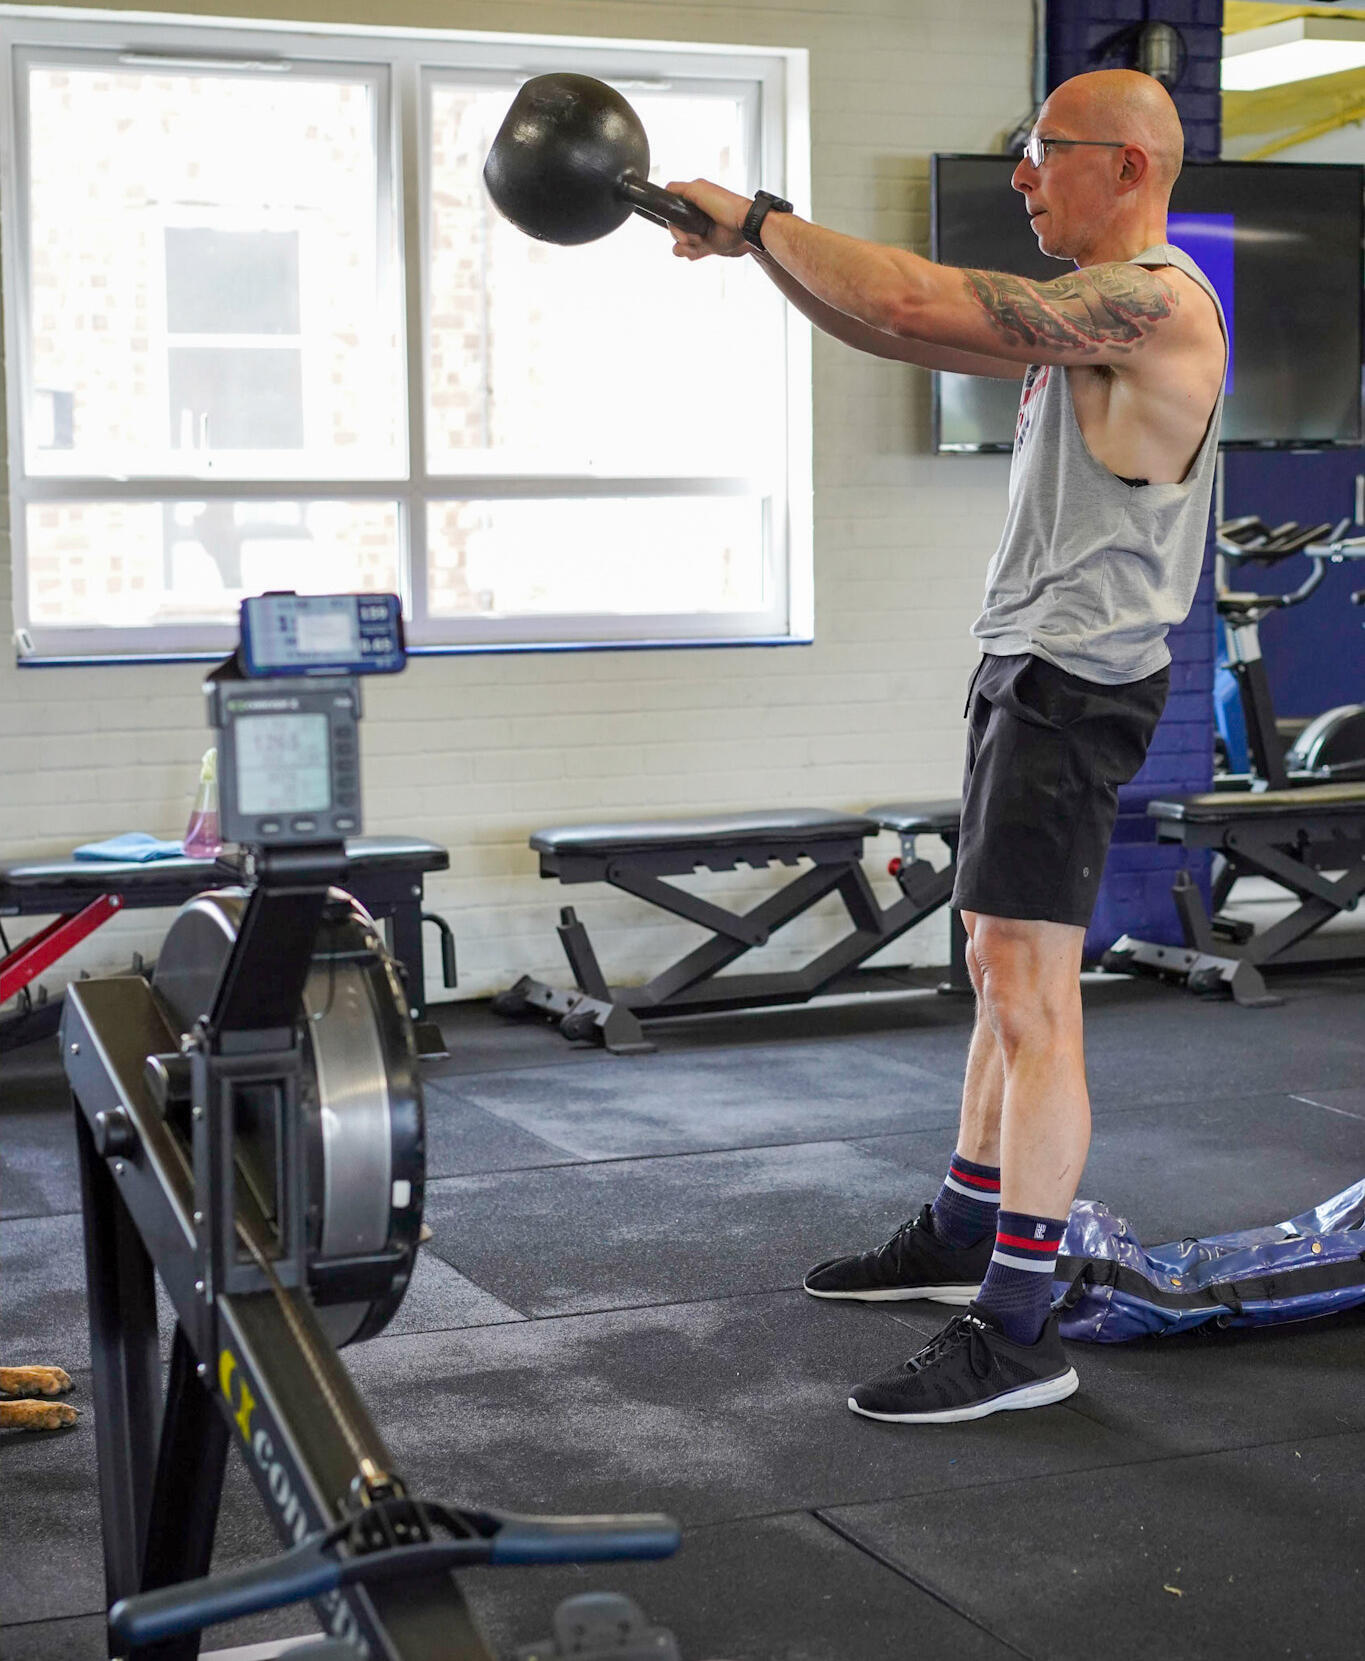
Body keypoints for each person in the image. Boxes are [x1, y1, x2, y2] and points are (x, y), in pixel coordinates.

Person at [666, 69, 1227, 1424]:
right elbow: (896, 331)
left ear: (1126, 166)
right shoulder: (1085, 320)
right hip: (1028, 672)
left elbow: (919, 297)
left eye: (1042, 153)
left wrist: (760, 216)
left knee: (1034, 996)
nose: (1021, 177)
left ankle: (1020, 1328)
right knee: (993, 964)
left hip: (1075, 686)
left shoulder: (1153, 302)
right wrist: (757, 254)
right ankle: (964, 1228)